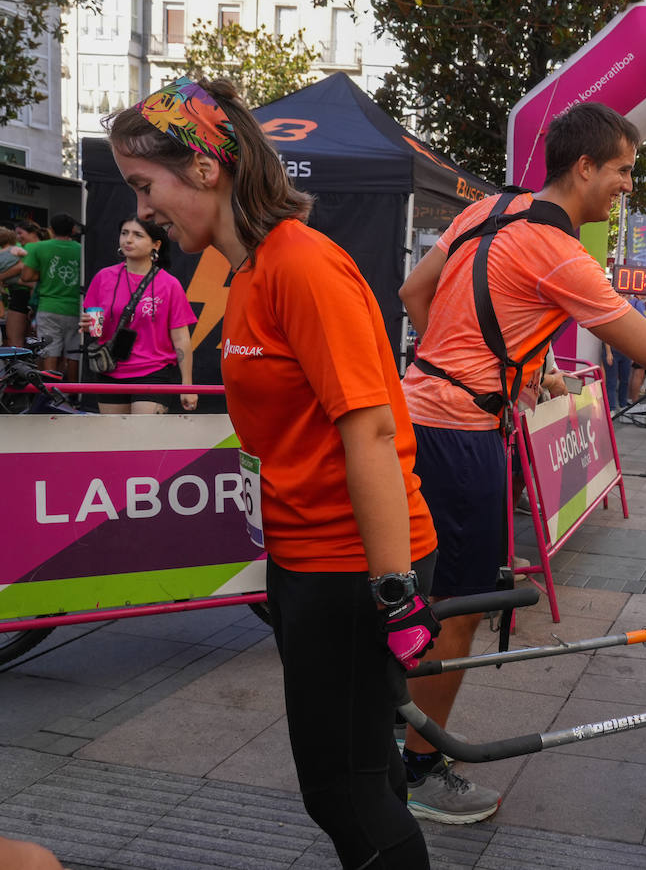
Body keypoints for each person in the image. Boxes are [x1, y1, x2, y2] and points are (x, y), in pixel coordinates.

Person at [396, 101, 646, 825]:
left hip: (412, 415)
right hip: (461, 437)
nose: (627, 186)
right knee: (459, 606)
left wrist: (476, 370)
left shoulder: (487, 210)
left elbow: (412, 294)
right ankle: (419, 770)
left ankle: (389, 732)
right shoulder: (562, 253)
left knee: (411, 592)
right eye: (621, 171)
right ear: (583, 167)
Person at [107, 76, 439, 869]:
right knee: (368, 775)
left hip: (353, 567)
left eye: (144, 185)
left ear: (204, 167)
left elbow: (370, 433)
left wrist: (394, 593)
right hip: (305, 561)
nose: (142, 210)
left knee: (343, 795)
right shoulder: (249, 270)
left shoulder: (301, 264)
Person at [79, 217, 198, 413]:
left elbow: (181, 338)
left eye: (138, 235)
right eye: (124, 233)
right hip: (110, 370)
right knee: (115, 433)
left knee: (144, 432)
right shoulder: (103, 278)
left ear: (156, 245)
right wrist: (89, 327)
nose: (128, 239)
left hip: (154, 372)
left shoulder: (170, 285)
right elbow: (96, 331)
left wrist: (187, 385)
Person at [18, 213, 83, 380]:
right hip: (76, 307)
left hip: (49, 307)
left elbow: (26, 277)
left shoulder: (37, 248)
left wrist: (44, 275)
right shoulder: (81, 249)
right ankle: (74, 391)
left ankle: (50, 391)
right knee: (74, 353)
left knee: (49, 350)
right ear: (73, 230)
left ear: (51, 229)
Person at [3, 221, 43, 348]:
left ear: (33, 233)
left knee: (17, 341)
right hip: (28, 296)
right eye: (16, 234)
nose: (18, 237)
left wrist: (2, 277)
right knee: (32, 341)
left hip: (28, 295)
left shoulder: (32, 247)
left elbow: (21, 267)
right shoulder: (20, 247)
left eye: (20, 233)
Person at [602, 293, 643, 409]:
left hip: (625, 351)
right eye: (623, 295)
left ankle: (623, 405)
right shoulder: (610, 311)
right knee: (612, 381)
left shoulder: (629, 313)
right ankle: (611, 408)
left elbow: (632, 335)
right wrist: (608, 353)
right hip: (613, 352)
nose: (626, 298)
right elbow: (606, 334)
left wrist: (631, 353)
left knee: (625, 380)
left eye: (626, 296)